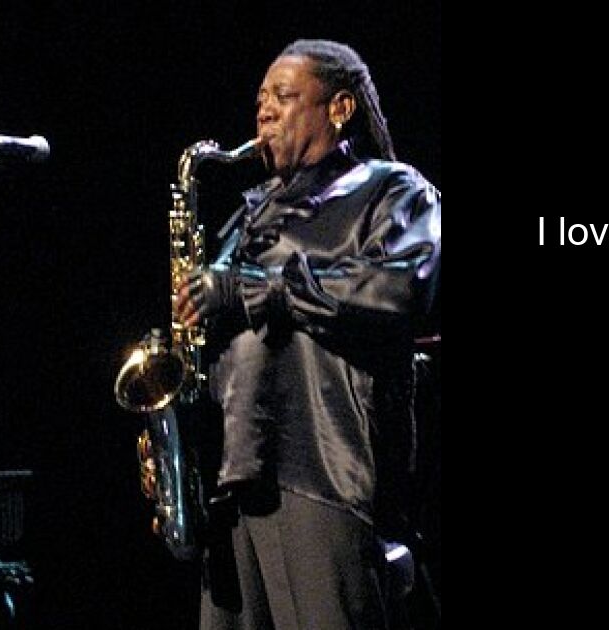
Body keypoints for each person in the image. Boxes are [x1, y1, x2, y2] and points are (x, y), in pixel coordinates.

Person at [175, 38, 441, 630]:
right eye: (261, 99)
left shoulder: (392, 190)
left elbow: (396, 289)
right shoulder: (249, 213)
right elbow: (211, 346)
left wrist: (258, 289)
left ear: (340, 108)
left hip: (324, 478)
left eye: (284, 95)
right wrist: (175, 445)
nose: (264, 109)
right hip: (232, 485)